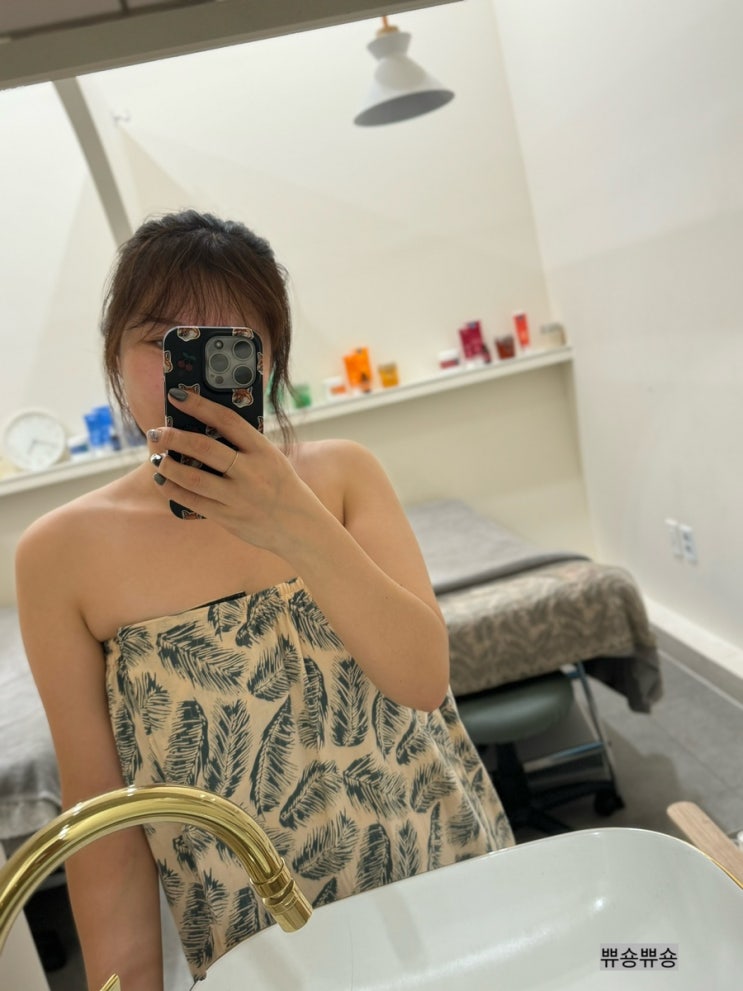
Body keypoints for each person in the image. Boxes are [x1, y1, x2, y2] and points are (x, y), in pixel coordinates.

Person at [16, 210, 514, 991]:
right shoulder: (59, 554)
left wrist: (291, 521)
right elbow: (102, 819)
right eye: (160, 340)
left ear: (268, 359)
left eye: (225, 343)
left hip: (437, 866)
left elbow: (421, 678)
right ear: (114, 353)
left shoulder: (343, 477)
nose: (187, 370)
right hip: (261, 939)